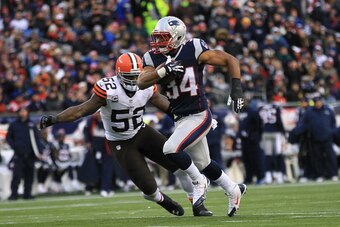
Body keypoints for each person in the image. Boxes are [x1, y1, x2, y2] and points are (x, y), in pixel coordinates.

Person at [40, 52, 211, 216]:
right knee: (149, 188)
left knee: (178, 163)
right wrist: (55, 119)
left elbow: (167, 106)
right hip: (120, 141)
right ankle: (159, 198)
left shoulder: (146, 86)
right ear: (119, 74)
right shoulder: (108, 89)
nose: (133, 81)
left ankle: (196, 203)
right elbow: (81, 110)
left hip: (142, 131)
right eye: (129, 76)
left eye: (136, 76)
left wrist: (193, 115)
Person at [137, 16, 246, 217]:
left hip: (198, 114)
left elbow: (231, 60)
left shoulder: (193, 48)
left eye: (164, 38)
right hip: (180, 118)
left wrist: (236, 88)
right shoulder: (152, 58)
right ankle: (233, 189)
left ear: (177, 37)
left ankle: (199, 182)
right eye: (157, 38)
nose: (158, 43)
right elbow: (141, 82)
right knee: (204, 163)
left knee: (170, 149)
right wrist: (162, 72)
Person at [6, 108, 43, 200]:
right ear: (18, 113)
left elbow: (36, 139)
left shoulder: (31, 124)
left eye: (25, 111)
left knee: (29, 175)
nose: (23, 113)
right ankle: (14, 194)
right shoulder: (14, 125)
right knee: (17, 175)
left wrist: (39, 151)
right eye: (21, 111)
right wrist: (15, 146)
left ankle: (28, 194)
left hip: (30, 154)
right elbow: (9, 138)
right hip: (19, 154)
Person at [83, 111, 115, 197]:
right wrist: (88, 141)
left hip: (107, 149)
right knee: (93, 170)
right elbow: (86, 132)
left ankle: (106, 188)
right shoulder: (91, 121)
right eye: (97, 113)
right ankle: (89, 187)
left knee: (107, 170)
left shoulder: (108, 120)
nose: (98, 115)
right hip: (94, 149)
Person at [258, 98, 287, 184]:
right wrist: (284, 132)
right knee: (278, 155)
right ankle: (279, 175)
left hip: (265, 133)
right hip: (276, 133)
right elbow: (279, 121)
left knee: (267, 156)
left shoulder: (261, 108)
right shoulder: (276, 107)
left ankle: (268, 175)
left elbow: (259, 123)